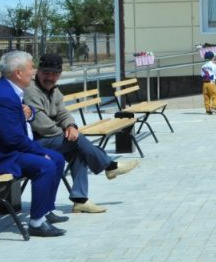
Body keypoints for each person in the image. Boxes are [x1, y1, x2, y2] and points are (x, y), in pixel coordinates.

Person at [0, 51, 68, 237]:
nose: (34, 72)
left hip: (3, 150)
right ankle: (36, 223)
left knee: (57, 158)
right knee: (46, 165)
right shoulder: (3, 96)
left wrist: (30, 112)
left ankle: (46, 210)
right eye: (31, 67)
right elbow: (14, 139)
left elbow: (20, 116)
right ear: (18, 73)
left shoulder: (8, 89)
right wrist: (40, 152)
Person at [24, 53, 139, 214]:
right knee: (76, 141)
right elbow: (42, 125)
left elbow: (63, 113)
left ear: (60, 74)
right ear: (38, 71)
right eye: (46, 73)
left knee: (78, 151)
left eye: (54, 74)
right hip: (35, 143)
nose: (50, 77)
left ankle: (80, 200)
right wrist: (66, 133)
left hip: (51, 139)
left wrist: (71, 126)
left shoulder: (54, 91)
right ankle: (110, 166)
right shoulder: (31, 90)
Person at [201, 50, 216, 115]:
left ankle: (208, 110)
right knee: (214, 95)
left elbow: (202, 74)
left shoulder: (203, 66)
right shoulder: (213, 65)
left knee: (206, 96)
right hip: (211, 82)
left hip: (204, 83)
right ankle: (214, 107)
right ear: (212, 58)